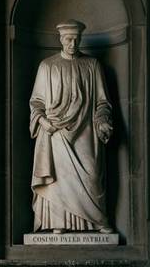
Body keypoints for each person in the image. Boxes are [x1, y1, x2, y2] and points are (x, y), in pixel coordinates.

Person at [29, 20, 114, 234]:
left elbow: (102, 102)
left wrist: (103, 119)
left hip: (86, 131)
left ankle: (97, 221)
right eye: (68, 39)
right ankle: (58, 223)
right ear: (60, 39)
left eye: (76, 39)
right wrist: (42, 120)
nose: (72, 43)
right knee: (58, 179)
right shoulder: (47, 66)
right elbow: (36, 102)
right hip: (55, 133)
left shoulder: (92, 65)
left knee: (92, 175)